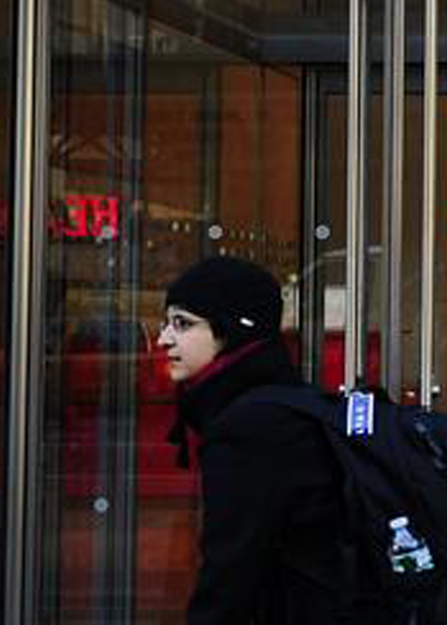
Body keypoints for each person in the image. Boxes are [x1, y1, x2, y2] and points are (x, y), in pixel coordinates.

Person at [160, 255, 352, 624]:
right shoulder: (281, 404)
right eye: (167, 323)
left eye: (182, 324)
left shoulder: (248, 429)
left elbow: (230, 570)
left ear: (232, 329)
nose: (163, 338)